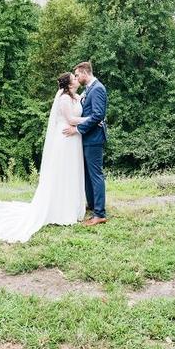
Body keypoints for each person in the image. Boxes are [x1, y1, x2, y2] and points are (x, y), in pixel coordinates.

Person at [0, 72, 88, 243]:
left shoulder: (76, 96)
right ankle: (59, 210)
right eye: (74, 77)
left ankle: (70, 207)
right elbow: (71, 119)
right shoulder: (64, 99)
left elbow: (80, 106)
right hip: (65, 138)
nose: (76, 78)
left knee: (71, 172)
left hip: (74, 139)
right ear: (69, 84)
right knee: (62, 172)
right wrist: (91, 119)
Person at [63, 61, 108, 226]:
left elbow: (97, 115)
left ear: (84, 72)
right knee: (88, 174)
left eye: (77, 75)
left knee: (95, 175)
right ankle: (93, 205)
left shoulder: (98, 89)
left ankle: (100, 214)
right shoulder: (88, 90)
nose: (76, 78)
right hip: (88, 137)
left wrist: (78, 129)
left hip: (94, 138)